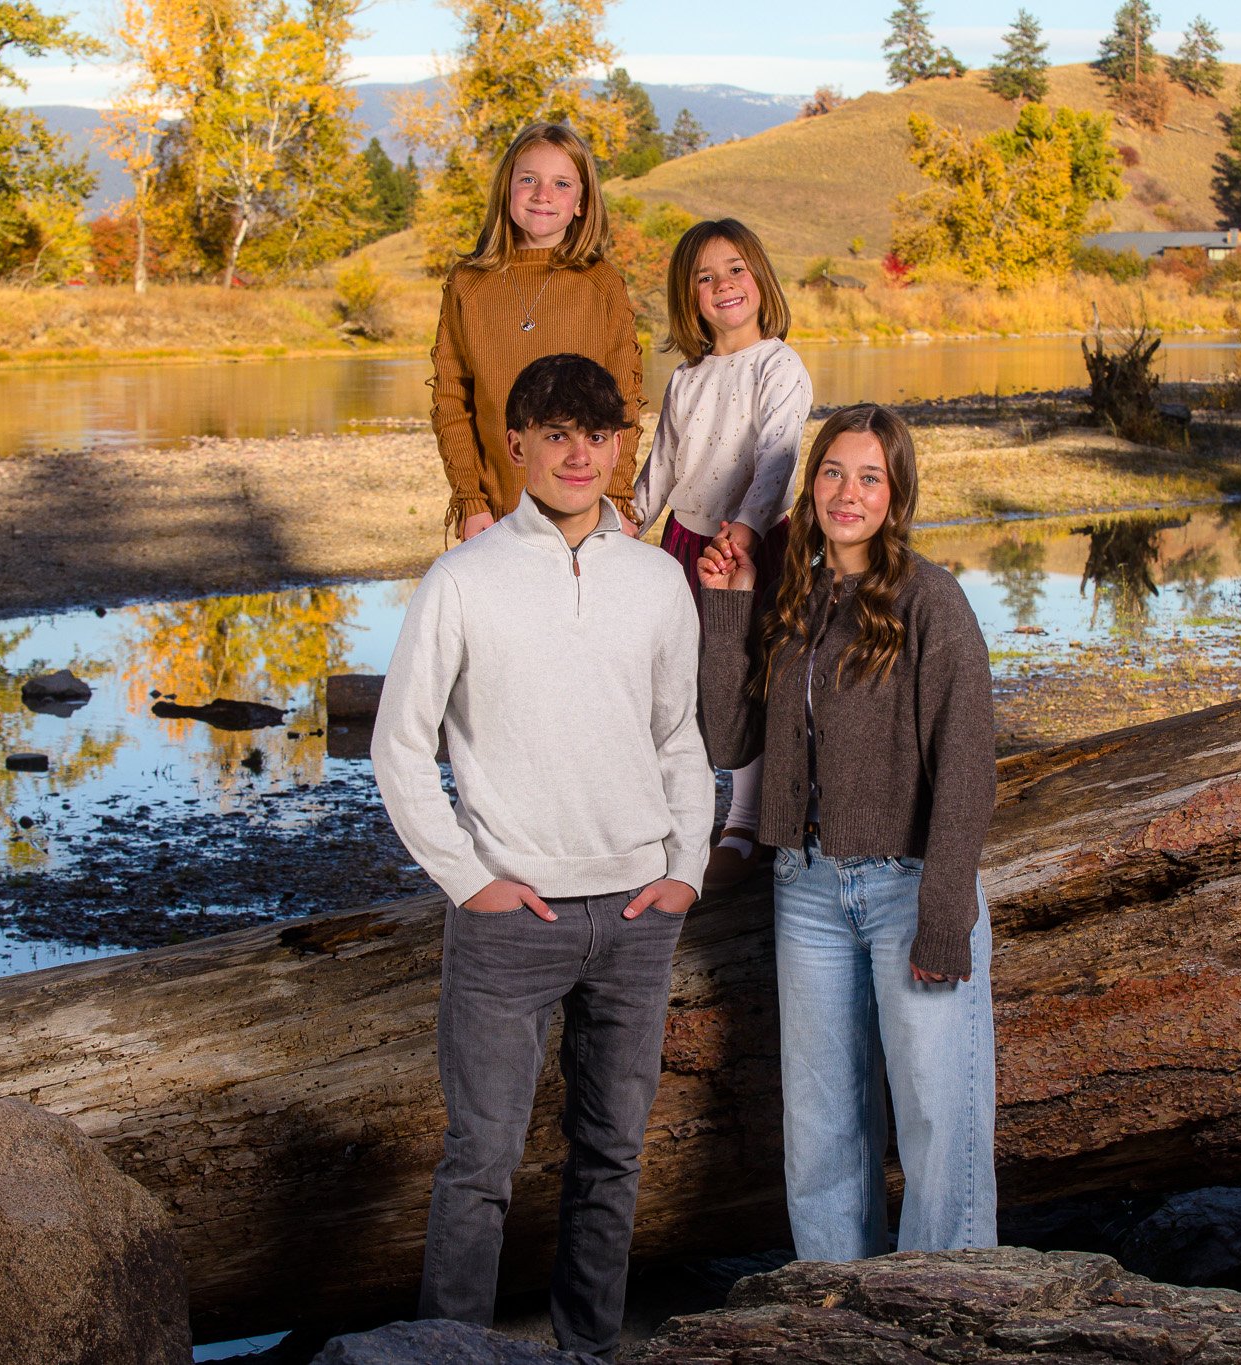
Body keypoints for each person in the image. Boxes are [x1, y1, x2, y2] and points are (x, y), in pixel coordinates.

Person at [371, 353, 712, 1359]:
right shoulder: (462, 581)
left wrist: (685, 864)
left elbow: (677, 738)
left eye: (597, 436)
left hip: (635, 917)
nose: (577, 454)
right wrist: (467, 879)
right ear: (514, 444)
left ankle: (586, 1348)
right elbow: (399, 745)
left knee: (609, 1156)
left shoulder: (655, 582)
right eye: (555, 434)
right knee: (478, 1161)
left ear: (619, 448)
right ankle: (448, 1351)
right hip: (510, 923)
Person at [694, 402, 999, 1262]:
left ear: (897, 492)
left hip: (910, 888)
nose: (847, 492)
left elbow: (969, 767)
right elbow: (730, 741)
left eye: (870, 476)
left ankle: (952, 1311)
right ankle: (834, 1314)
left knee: (940, 1120)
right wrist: (726, 614)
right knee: (823, 1127)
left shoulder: (933, 601)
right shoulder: (795, 593)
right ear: (812, 484)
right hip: (808, 889)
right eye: (832, 472)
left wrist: (945, 915)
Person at [633, 218, 813, 892]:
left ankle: (745, 818)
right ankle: (687, 814)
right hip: (685, 541)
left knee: (747, 672)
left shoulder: (778, 365)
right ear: (690, 296)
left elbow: (778, 456)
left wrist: (744, 529)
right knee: (684, 677)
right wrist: (625, 524)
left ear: (760, 276)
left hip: (755, 544)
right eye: (704, 277)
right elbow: (663, 465)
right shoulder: (687, 377)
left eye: (735, 268)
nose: (723, 285)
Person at [430, 122, 643, 543]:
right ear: (506, 189)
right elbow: (451, 400)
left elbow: (624, 401)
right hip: (497, 514)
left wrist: (616, 498)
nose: (543, 194)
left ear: (581, 202)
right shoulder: (467, 284)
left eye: (561, 183)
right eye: (528, 179)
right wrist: (471, 501)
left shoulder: (601, 283)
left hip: (585, 515)